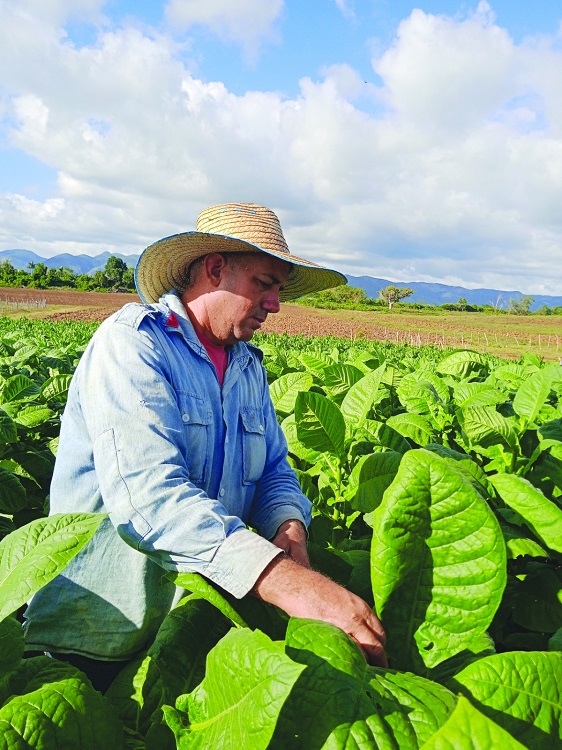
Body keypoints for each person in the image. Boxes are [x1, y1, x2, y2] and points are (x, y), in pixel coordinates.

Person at [24, 202, 387, 691]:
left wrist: (290, 529)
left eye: (279, 289)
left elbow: (275, 469)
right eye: (265, 283)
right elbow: (148, 496)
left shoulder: (248, 367)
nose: (276, 305)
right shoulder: (134, 345)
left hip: (197, 636)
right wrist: (287, 582)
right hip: (102, 636)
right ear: (215, 269)